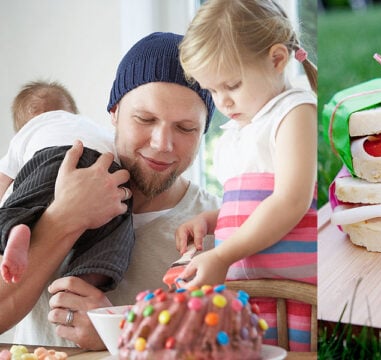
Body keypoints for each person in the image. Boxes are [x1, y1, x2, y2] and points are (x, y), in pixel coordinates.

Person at [0, 32, 219, 350]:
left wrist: (123, 335)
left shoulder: (219, 230)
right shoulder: (45, 183)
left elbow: (234, 343)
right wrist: (63, 218)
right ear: (114, 112)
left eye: (186, 128)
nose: (162, 144)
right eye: (145, 119)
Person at [177, 0, 318, 351]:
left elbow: (290, 200)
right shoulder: (239, 131)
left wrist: (223, 256)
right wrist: (214, 220)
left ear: (276, 60)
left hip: (296, 295)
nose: (221, 102)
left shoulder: (294, 112)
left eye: (232, 85)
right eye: (211, 90)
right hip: (250, 297)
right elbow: (251, 202)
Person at [0, 81, 134, 289]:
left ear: (22, 125)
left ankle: (15, 228)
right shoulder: (90, 125)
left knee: (21, 203)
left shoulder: (27, 133)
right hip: (106, 166)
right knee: (118, 224)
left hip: (51, 158)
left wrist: (8, 209)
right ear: (72, 112)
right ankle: (90, 275)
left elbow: (3, 180)